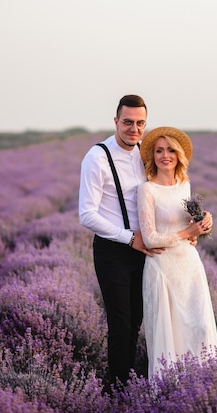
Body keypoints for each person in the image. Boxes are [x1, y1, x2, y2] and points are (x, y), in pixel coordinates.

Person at [79, 94, 156, 386]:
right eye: (127, 122)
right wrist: (128, 238)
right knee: (121, 325)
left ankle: (131, 379)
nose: (134, 129)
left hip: (147, 249)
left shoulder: (145, 153)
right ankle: (117, 391)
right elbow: (87, 214)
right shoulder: (97, 157)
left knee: (138, 321)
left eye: (140, 123)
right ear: (116, 121)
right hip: (113, 251)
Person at [137, 126, 217, 379]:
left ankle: (204, 384)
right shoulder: (147, 190)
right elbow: (150, 238)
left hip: (189, 266)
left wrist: (205, 221)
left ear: (179, 155)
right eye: (159, 151)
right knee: (169, 334)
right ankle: (169, 394)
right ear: (152, 156)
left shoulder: (185, 185)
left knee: (200, 326)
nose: (165, 155)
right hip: (162, 267)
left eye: (171, 150)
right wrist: (186, 234)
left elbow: (190, 226)